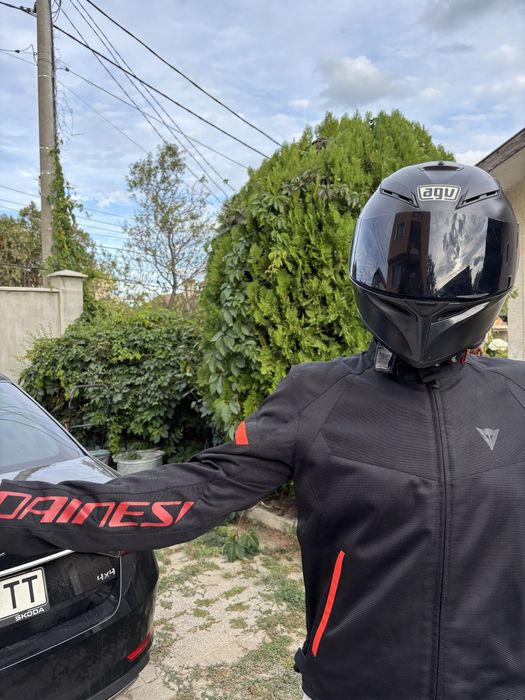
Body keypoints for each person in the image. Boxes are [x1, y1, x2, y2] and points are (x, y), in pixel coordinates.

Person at [0, 160, 522, 700]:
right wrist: (13, 509)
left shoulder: (518, 394)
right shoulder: (316, 396)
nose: (427, 284)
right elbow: (190, 493)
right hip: (353, 685)